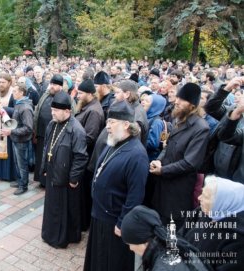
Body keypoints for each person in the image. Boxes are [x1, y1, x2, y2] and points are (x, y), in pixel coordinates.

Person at [84, 101, 149, 271]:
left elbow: (135, 196)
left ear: (126, 124)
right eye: (107, 122)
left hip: (115, 222)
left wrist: (122, 223)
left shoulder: (137, 154)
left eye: (112, 122)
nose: (108, 126)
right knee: (98, 259)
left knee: (111, 262)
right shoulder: (113, 142)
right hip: (100, 214)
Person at [149, 83, 210, 228]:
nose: (176, 101)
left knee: (171, 232)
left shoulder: (201, 128)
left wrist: (163, 170)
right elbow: (168, 145)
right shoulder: (178, 120)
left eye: (182, 99)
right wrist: (158, 161)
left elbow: (190, 163)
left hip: (178, 192)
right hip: (163, 186)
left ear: (193, 105)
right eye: (177, 97)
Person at [40, 91, 88, 248]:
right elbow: (46, 147)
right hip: (53, 174)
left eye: (55, 111)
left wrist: (74, 178)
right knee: (52, 206)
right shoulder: (52, 124)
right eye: (52, 110)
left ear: (67, 111)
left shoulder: (77, 130)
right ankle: (50, 233)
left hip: (66, 178)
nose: (52, 113)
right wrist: (45, 167)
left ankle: (63, 238)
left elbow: (81, 157)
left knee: (64, 210)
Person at [180, 176, 244, 270]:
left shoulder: (238, 239)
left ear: (224, 203)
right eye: (202, 193)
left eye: (206, 197)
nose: (199, 198)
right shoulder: (204, 211)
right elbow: (180, 235)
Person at [121, 206, 210, 271]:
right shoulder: (175, 244)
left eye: (130, 244)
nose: (130, 248)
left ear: (143, 241)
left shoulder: (163, 266)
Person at [34, 74, 74, 188]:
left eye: (55, 84)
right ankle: (41, 179)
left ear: (61, 86)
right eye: (51, 84)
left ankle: (50, 181)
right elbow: (37, 111)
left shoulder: (66, 98)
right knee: (41, 157)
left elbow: (72, 114)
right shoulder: (45, 95)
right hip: (42, 133)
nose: (52, 86)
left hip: (57, 135)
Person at [75, 78, 105, 231]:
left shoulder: (93, 111)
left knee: (84, 194)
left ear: (89, 94)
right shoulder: (88, 106)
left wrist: (72, 146)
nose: (78, 96)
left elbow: (89, 137)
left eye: (80, 93)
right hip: (82, 155)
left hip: (85, 157)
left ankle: (83, 222)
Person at [1, 83, 34, 195]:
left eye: (15, 91)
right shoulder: (19, 103)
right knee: (17, 162)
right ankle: (20, 180)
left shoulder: (25, 107)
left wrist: (11, 131)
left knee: (22, 164)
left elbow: (28, 128)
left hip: (21, 140)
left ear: (21, 93)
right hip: (16, 138)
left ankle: (23, 185)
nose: (13, 93)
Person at [0, 72, 17, 181]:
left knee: (7, 149)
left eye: (3, 82)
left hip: (8, 126)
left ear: (9, 83)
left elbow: (17, 110)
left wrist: (4, 109)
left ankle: (8, 175)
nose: (1, 84)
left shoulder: (13, 93)